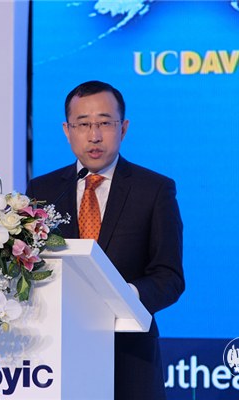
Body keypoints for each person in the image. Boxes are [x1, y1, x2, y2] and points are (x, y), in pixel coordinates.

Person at [26, 81, 184, 400]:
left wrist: (125, 297)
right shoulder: (42, 190)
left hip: (129, 359)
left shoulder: (154, 190)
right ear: (67, 130)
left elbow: (169, 277)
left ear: (123, 128)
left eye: (105, 123)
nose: (94, 135)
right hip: (55, 357)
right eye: (83, 124)